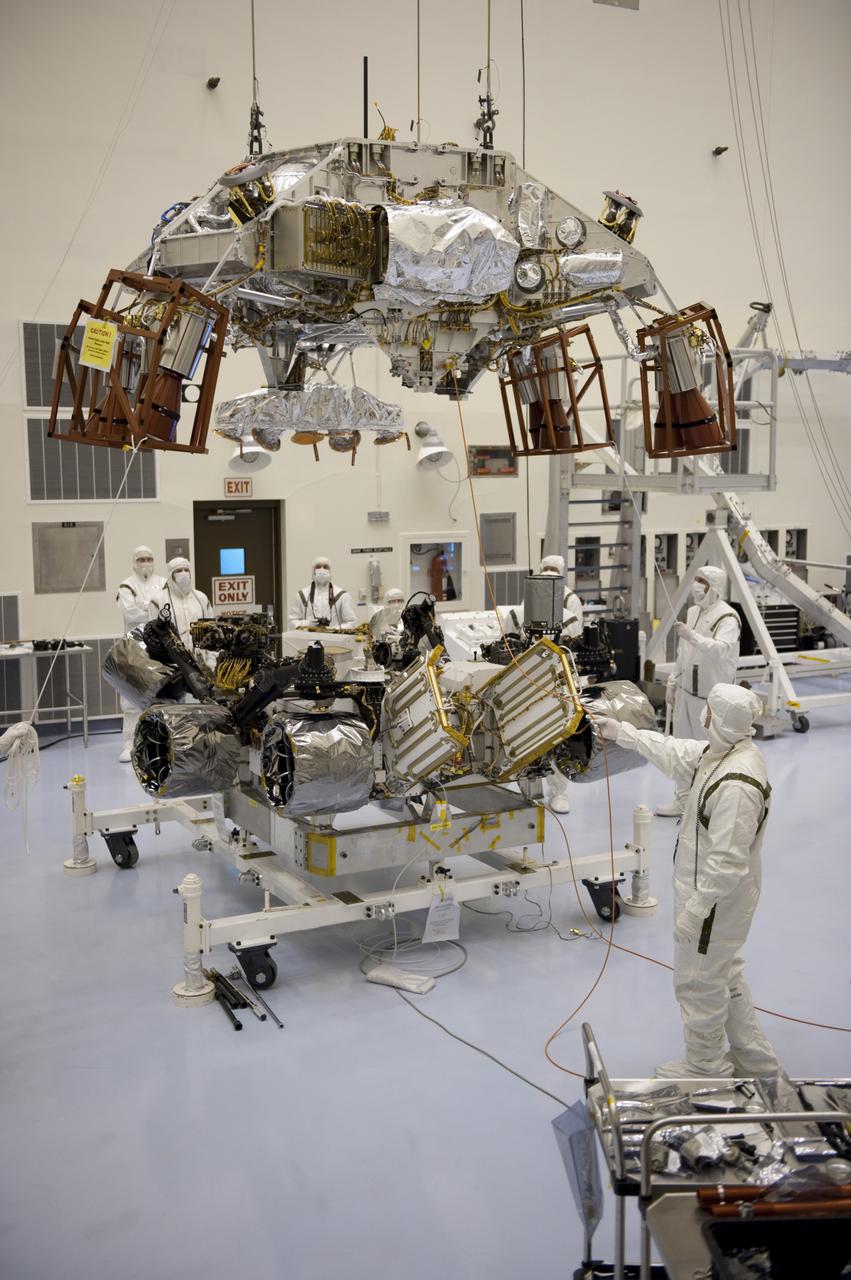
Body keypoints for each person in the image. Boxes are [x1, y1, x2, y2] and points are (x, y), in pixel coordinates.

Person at [596, 683, 780, 1078]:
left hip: (715, 904)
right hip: (711, 899)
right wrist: (621, 732)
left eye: (710, 711)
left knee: (698, 983)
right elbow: (673, 751)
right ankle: (755, 1061)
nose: (704, 716)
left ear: (720, 719)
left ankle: (704, 1068)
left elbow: (728, 863)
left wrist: (696, 910)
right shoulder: (721, 755)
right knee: (723, 974)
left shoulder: (736, 784)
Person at [657, 565, 741, 817]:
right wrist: (672, 681)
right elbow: (684, 655)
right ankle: (683, 800)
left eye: (701, 581)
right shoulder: (693, 611)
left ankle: (709, 805)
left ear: (714, 586)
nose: (696, 585)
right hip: (685, 693)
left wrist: (691, 635)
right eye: (695, 580)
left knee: (710, 753)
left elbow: (720, 650)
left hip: (710, 699)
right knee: (683, 750)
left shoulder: (727, 618)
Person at [116, 546, 165, 763]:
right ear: (134, 562)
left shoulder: (163, 583)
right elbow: (130, 612)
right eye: (141, 559)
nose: (145, 562)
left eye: (149, 558)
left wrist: (146, 608)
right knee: (130, 696)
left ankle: (160, 742)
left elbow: (166, 609)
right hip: (135, 644)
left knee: (162, 694)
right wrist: (151, 609)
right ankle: (130, 743)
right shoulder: (127, 585)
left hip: (159, 645)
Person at [503, 554, 584, 641]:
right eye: (546, 569)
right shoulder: (518, 612)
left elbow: (577, 634)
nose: (549, 572)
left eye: (553, 569)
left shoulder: (571, 601)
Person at [148, 557, 213, 652]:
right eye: (178, 570)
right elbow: (153, 635)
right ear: (171, 575)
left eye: (186, 570)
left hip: (203, 660)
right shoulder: (158, 600)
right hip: (172, 661)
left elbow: (212, 630)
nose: (183, 573)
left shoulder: (201, 598)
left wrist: (211, 660)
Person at [289, 556, 357, 629]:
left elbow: (352, 623)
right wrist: (307, 623)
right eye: (318, 567)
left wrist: (334, 629)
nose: (322, 570)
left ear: (330, 571)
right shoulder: (302, 595)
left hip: (334, 638)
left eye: (325, 567)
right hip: (308, 638)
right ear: (313, 571)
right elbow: (291, 622)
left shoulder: (341, 595)